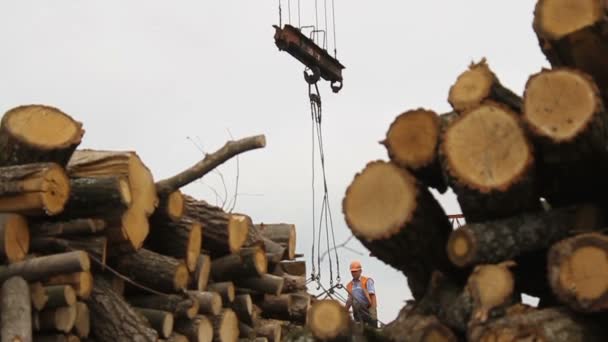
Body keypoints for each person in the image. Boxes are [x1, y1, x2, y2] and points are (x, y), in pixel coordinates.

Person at [345, 260, 377, 328]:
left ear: (360, 271)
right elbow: (349, 300)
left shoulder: (367, 280)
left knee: (372, 329)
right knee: (359, 330)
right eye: (352, 272)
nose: (354, 273)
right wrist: (344, 311)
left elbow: (372, 295)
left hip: (368, 309)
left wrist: (373, 311)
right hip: (357, 311)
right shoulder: (349, 285)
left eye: (355, 271)